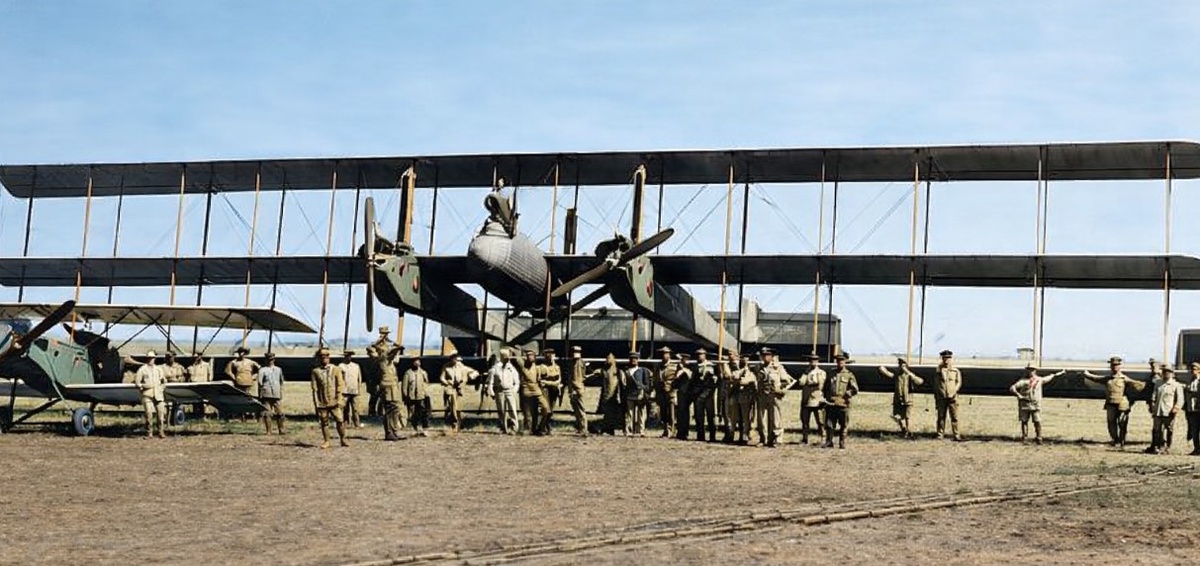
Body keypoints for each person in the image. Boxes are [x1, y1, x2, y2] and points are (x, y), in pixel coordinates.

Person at [1082, 356, 1146, 448]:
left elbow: (1137, 385)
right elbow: (1096, 378)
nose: (1114, 367)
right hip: (1110, 403)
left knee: (1122, 423)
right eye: (1113, 365)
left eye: (1116, 365)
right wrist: (1086, 374)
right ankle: (1115, 439)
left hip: (1122, 404)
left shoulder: (1124, 379)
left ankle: (1122, 440)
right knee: (1111, 423)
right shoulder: (1108, 379)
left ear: (1120, 366)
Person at [1008, 365, 1065, 444]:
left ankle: (1039, 438)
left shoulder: (1039, 380)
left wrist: (1060, 373)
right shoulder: (1023, 381)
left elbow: (1051, 377)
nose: (1030, 371)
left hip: (1035, 405)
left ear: (1035, 370)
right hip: (1025, 404)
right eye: (1028, 370)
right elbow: (1012, 388)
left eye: (1031, 370)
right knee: (1024, 421)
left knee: (1037, 421)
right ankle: (1024, 438)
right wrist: (1019, 395)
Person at [366, 330, 404, 441]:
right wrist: (382, 340)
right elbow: (373, 347)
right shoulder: (382, 358)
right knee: (389, 408)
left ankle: (394, 430)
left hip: (393, 384)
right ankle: (389, 432)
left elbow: (396, 351)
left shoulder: (390, 360)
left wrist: (389, 341)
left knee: (395, 408)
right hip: (387, 385)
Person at [754, 347, 794, 447]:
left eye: (767, 355)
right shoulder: (758, 367)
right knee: (761, 419)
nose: (765, 357)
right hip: (762, 395)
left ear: (772, 357)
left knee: (775, 418)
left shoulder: (778, 368)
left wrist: (781, 390)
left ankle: (776, 439)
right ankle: (763, 439)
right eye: (763, 355)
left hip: (774, 396)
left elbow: (788, 381)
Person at [310, 348, 348, 449]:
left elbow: (340, 385)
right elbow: (315, 388)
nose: (325, 358)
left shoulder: (335, 369)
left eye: (327, 356)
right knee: (324, 421)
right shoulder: (315, 371)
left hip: (334, 401)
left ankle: (343, 438)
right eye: (322, 356)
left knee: (340, 420)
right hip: (322, 401)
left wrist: (339, 399)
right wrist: (316, 403)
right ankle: (326, 441)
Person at [878, 358, 925, 438]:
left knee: (907, 417)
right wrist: (882, 369)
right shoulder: (897, 375)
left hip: (908, 399)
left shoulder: (909, 376)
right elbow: (889, 374)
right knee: (896, 415)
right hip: (898, 399)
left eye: (903, 365)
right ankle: (903, 429)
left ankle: (908, 430)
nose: (902, 367)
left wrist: (909, 373)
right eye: (900, 365)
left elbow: (920, 381)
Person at [822, 353, 859, 449]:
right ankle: (829, 441)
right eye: (838, 361)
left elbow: (855, 389)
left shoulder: (849, 375)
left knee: (843, 424)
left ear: (845, 362)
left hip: (843, 403)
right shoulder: (831, 373)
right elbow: (825, 387)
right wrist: (824, 399)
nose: (840, 363)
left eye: (842, 361)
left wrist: (848, 393)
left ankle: (842, 442)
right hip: (831, 403)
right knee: (829, 424)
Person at [1147, 364, 1184, 454]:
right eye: (1164, 371)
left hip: (1168, 411)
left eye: (1168, 372)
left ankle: (1167, 447)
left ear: (1172, 373)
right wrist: (1152, 406)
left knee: (1169, 429)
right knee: (1157, 429)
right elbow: (1154, 396)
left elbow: (1180, 399)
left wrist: (1176, 408)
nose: (1165, 373)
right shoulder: (1158, 383)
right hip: (1158, 411)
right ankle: (1156, 446)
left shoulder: (1176, 385)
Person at [440, 350, 479, 432]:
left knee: (459, 408)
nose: (454, 359)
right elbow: (442, 377)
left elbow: (474, 372)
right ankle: (454, 424)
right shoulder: (446, 367)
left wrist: (471, 376)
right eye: (453, 357)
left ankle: (459, 424)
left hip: (460, 390)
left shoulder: (462, 367)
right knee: (453, 407)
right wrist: (447, 382)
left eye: (455, 357)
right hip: (451, 388)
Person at [517, 349, 551, 435]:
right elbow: (518, 359)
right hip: (526, 390)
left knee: (545, 408)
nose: (530, 357)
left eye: (532, 355)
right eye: (528, 356)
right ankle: (529, 429)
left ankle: (541, 427)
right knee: (528, 413)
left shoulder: (537, 367)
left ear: (535, 357)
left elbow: (547, 373)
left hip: (536, 390)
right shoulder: (523, 366)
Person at [933, 350, 964, 441]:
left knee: (954, 417)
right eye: (944, 358)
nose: (946, 360)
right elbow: (936, 384)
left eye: (948, 358)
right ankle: (940, 434)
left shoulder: (955, 371)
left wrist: (954, 391)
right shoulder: (938, 371)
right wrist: (940, 393)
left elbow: (958, 382)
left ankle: (956, 435)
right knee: (941, 417)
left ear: (951, 359)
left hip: (953, 397)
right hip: (942, 398)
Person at [134, 350, 167, 439]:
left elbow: (164, 381)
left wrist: (162, 388)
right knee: (149, 414)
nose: (151, 360)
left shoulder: (159, 369)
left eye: (152, 358)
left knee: (161, 414)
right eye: (149, 358)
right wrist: (142, 387)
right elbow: (137, 382)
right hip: (147, 394)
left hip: (158, 394)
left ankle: (161, 431)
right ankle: (149, 433)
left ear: (154, 359)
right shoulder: (142, 370)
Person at [488, 348, 520, 434]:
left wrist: (514, 391)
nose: (506, 358)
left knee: (512, 409)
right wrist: (491, 391)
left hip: (510, 391)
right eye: (504, 356)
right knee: (501, 410)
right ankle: (504, 428)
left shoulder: (511, 369)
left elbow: (517, 382)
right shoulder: (495, 369)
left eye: (507, 356)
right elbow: (490, 382)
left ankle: (514, 428)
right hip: (500, 391)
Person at [798, 354, 827, 444]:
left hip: (817, 401)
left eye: (815, 361)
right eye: (811, 361)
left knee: (820, 421)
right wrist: (806, 375)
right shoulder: (806, 372)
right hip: (806, 400)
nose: (813, 363)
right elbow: (801, 382)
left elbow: (819, 384)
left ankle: (823, 438)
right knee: (805, 421)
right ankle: (805, 438)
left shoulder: (822, 373)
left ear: (818, 362)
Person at [650, 346, 680, 438]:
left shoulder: (674, 366)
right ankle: (665, 429)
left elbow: (677, 379)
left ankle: (671, 430)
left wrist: (672, 387)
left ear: (669, 355)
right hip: (661, 392)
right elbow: (655, 379)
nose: (664, 355)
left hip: (671, 392)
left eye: (666, 353)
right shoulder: (658, 366)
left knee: (671, 413)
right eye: (662, 354)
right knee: (663, 413)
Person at [691, 348, 718, 442]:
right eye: (698, 355)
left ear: (705, 355)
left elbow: (716, 379)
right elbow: (693, 381)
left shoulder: (711, 365)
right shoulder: (695, 366)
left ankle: (712, 436)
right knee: (699, 416)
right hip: (698, 394)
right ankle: (700, 435)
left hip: (708, 394)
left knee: (711, 416)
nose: (699, 356)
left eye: (701, 354)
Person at [622, 351, 652, 436]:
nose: (633, 360)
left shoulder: (643, 371)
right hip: (630, 395)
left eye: (635, 359)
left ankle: (641, 430)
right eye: (632, 359)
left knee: (641, 414)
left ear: (638, 360)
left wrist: (643, 391)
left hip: (640, 395)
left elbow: (647, 384)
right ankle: (628, 430)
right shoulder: (626, 372)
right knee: (629, 414)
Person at [729, 353, 756, 445]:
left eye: (746, 359)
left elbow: (753, 381)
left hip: (746, 396)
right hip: (737, 396)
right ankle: (738, 435)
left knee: (746, 418)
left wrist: (747, 380)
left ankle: (745, 435)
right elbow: (733, 378)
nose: (744, 360)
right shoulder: (737, 370)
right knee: (737, 417)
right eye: (743, 358)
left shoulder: (752, 371)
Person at [594, 353, 623, 435]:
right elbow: (598, 372)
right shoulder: (604, 370)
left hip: (614, 395)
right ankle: (607, 428)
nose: (608, 360)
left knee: (612, 413)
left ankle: (610, 428)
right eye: (607, 358)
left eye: (610, 358)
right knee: (607, 412)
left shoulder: (617, 371)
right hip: (606, 395)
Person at [257, 352, 286, 434]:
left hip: (276, 394)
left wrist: (280, 392)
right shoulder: (262, 370)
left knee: (280, 413)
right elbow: (260, 383)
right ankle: (268, 431)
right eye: (269, 360)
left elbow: (281, 381)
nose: (270, 361)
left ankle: (281, 429)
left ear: (274, 360)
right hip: (266, 394)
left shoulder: (278, 369)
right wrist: (260, 395)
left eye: (272, 359)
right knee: (267, 413)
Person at [402, 355, 431, 436]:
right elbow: (404, 387)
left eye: (418, 361)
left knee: (423, 413)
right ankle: (414, 428)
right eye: (415, 361)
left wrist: (426, 394)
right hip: (411, 397)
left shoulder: (423, 372)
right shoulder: (408, 373)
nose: (417, 363)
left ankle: (425, 429)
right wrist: (405, 397)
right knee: (412, 413)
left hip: (421, 396)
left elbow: (426, 383)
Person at [566, 345, 589, 436]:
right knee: (576, 409)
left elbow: (580, 376)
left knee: (581, 409)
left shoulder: (580, 363)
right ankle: (580, 427)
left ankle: (584, 429)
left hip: (578, 388)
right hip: (573, 388)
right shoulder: (572, 363)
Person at [339, 350, 363, 429]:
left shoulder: (356, 366)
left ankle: (357, 423)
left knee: (356, 409)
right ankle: (345, 423)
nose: (348, 357)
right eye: (347, 355)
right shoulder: (341, 366)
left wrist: (359, 388)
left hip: (354, 390)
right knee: (345, 408)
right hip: (345, 390)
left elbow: (359, 378)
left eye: (350, 355)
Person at [186, 353, 212, 419]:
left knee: (204, 402)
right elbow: (188, 377)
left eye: (197, 357)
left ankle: (204, 416)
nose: (196, 358)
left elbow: (210, 375)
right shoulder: (190, 367)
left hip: (204, 386)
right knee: (195, 402)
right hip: (194, 386)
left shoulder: (206, 365)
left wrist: (209, 383)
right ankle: (196, 416)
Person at [1184, 362, 1200, 456]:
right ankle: (1196, 448)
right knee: (1194, 430)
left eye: (1195, 369)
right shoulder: (1189, 381)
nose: (1193, 371)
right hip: (1191, 409)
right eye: (1192, 369)